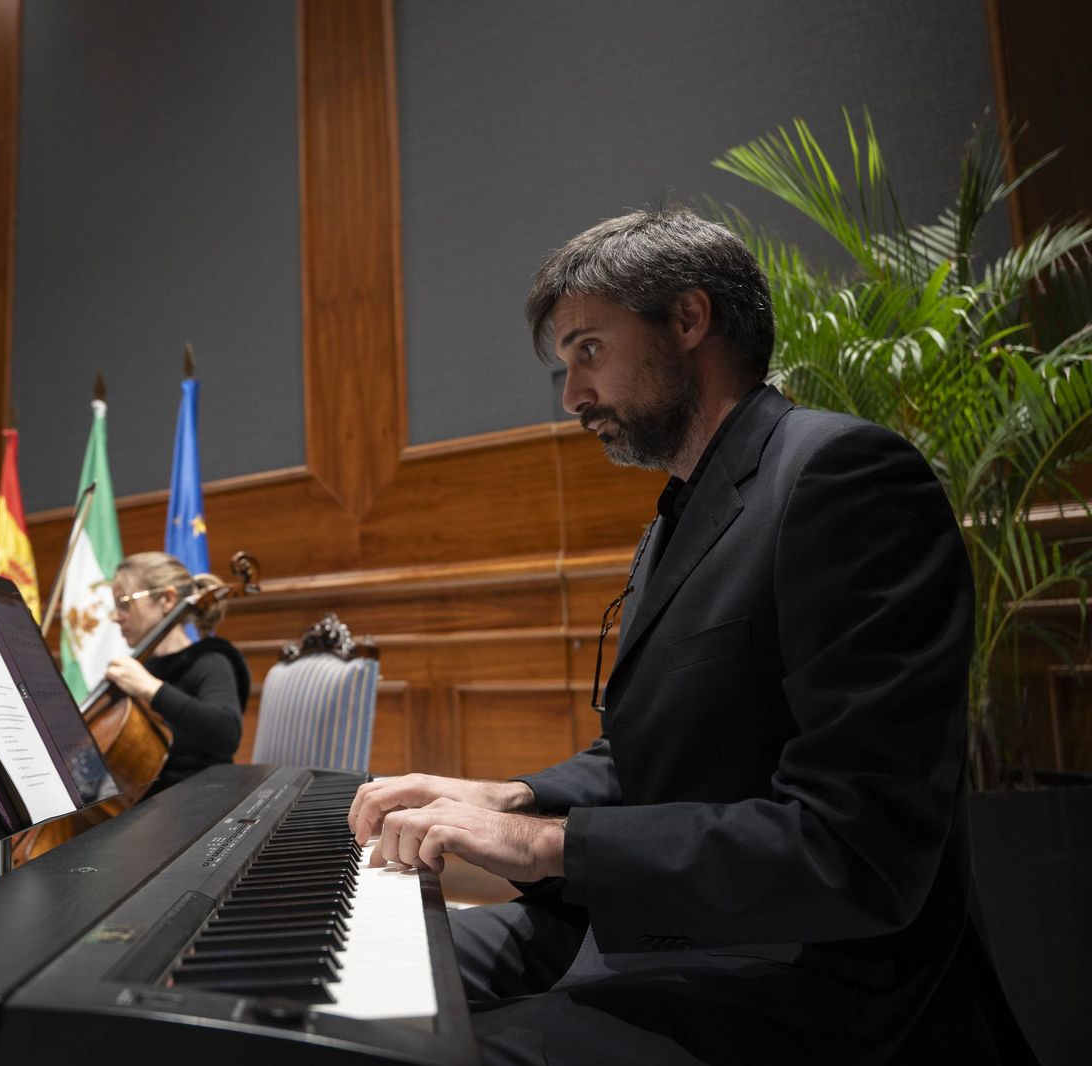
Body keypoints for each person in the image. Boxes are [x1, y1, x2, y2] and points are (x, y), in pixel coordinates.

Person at [347, 209, 1032, 1064]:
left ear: (688, 318)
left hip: (806, 980)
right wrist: (508, 797)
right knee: (335, 998)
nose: (572, 396)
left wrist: (545, 844)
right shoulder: (681, 514)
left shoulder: (844, 476)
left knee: (402, 1050)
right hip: (657, 928)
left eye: (589, 349)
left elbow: (854, 849)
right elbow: (657, 755)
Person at [102, 551, 250, 797]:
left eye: (124, 603)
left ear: (167, 600)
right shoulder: (142, 669)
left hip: (205, 803)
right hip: (149, 805)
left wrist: (150, 688)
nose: (116, 617)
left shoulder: (210, 661)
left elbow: (226, 734)